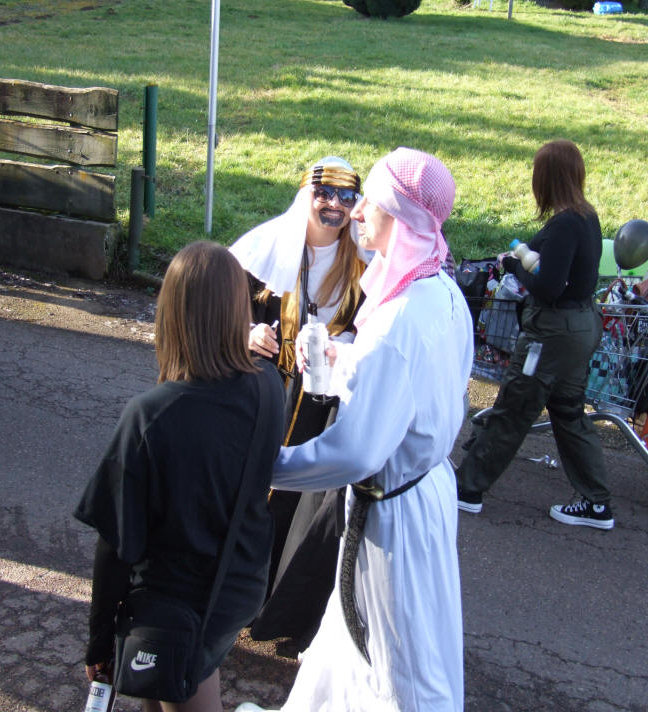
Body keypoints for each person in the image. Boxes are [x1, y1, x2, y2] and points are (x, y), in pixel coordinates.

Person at [236, 147, 473, 711]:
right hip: (423, 488)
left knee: (403, 663)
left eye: (371, 202)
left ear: (399, 216)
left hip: (395, 509)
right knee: (344, 644)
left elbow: (355, 452)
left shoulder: (398, 320)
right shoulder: (442, 292)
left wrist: (263, 466)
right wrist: (353, 367)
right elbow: (428, 389)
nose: (357, 210)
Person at [74, 242, 285, 712]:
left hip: (181, 602)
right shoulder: (268, 383)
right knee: (162, 687)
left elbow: (116, 547)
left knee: (181, 679)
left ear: (172, 311)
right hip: (241, 581)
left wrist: (99, 642)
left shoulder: (151, 416)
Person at [229, 156, 370, 649]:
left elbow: (376, 330)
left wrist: (346, 348)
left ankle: (283, 613)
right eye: (324, 194)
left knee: (306, 511)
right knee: (251, 499)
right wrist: (244, 334)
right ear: (305, 194)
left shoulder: (364, 261)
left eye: (347, 197)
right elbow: (213, 308)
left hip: (326, 407)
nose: (334, 205)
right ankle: (234, 601)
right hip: (266, 397)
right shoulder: (265, 247)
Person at [455, 139, 615, 530]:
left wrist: (514, 266)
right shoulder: (586, 216)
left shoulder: (563, 224)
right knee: (568, 410)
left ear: (544, 179)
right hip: (581, 326)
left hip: (552, 332)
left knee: (515, 406)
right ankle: (596, 502)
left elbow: (549, 286)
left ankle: (467, 488)